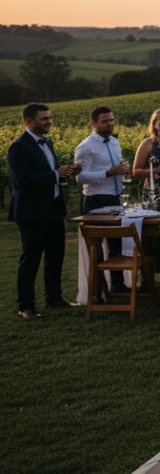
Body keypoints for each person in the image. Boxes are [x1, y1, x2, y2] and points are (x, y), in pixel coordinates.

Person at [8, 103, 80, 318]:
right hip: (32, 212)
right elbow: (23, 181)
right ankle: (26, 306)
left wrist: (67, 172)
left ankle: (54, 297)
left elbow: (51, 174)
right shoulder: (18, 147)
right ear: (29, 121)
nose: (49, 122)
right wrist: (56, 174)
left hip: (53, 209)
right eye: (44, 119)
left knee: (55, 255)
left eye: (50, 118)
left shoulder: (47, 143)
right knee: (31, 258)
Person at [75, 107, 133, 292]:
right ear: (94, 124)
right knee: (97, 250)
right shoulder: (85, 147)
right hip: (96, 201)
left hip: (115, 199)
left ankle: (118, 285)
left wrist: (123, 169)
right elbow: (80, 177)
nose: (110, 124)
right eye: (105, 121)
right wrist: (109, 172)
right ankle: (99, 291)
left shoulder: (115, 142)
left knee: (116, 245)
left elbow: (117, 167)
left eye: (111, 120)